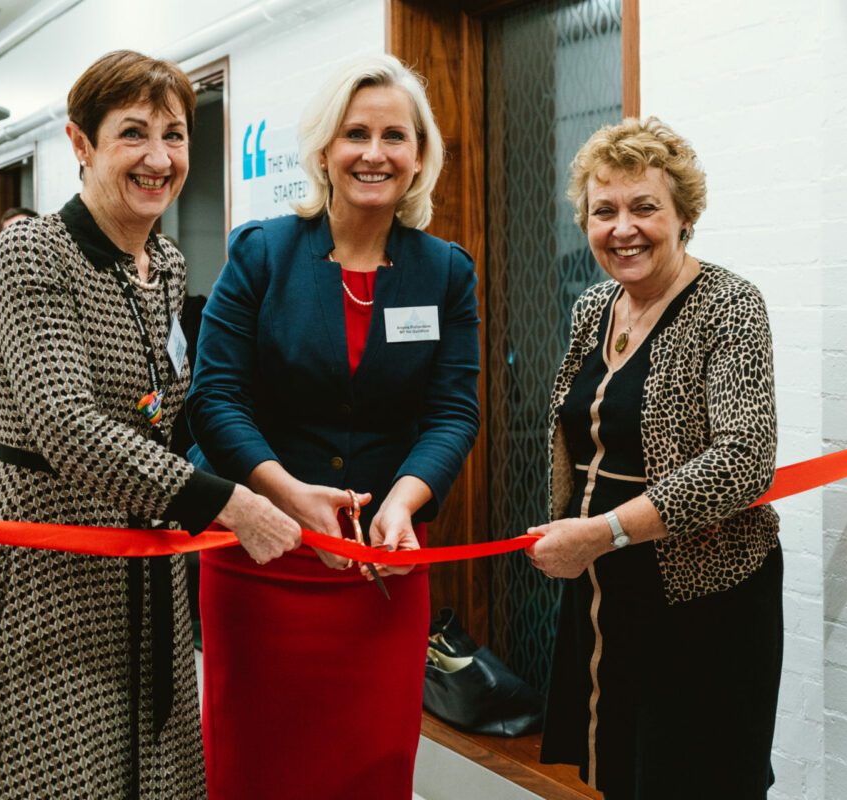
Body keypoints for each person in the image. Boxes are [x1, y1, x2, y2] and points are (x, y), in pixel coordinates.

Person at [0, 49, 300, 800]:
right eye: (133, 133)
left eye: (175, 135)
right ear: (81, 143)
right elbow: (63, 423)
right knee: (60, 774)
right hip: (49, 567)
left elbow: (169, 410)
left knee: (154, 772)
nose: (159, 158)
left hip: (149, 559)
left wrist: (283, 486)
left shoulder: (165, 263)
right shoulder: (34, 251)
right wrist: (226, 503)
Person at [186, 54, 481, 799]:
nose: (374, 153)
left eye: (395, 136)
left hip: (382, 567)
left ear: (419, 157)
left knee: (370, 764)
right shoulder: (263, 253)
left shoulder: (446, 272)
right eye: (356, 134)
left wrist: (404, 502)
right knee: (257, 766)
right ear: (323, 150)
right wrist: (287, 495)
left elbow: (453, 410)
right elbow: (214, 398)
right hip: (260, 556)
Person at [526, 117, 782, 799]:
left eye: (644, 207)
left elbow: (743, 459)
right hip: (606, 590)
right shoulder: (593, 307)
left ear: (683, 216)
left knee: (695, 776)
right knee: (621, 770)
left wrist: (604, 531)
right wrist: (583, 536)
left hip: (702, 595)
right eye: (603, 210)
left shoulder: (729, 305)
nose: (623, 229)